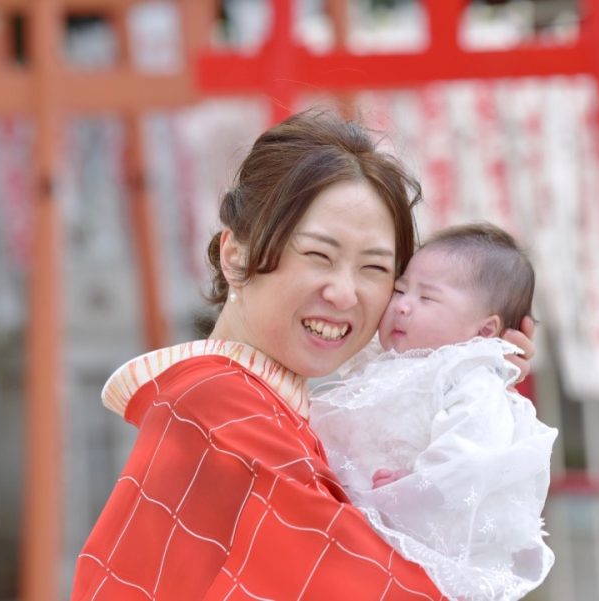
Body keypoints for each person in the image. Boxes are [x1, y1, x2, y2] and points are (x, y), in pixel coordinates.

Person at [71, 110, 536, 600]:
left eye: (376, 269)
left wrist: (461, 380)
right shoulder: (223, 406)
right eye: (318, 255)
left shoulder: (265, 405)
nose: (344, 293)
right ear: (237, 256)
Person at [309, 223, 557, 601]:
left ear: (485, 331)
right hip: (347, 521)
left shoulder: (469, 375)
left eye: (428, 298)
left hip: (412, 528)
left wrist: (415, 484)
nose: (403, 305)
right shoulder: (380, 361)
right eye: (400, 290)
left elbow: (469, 453)